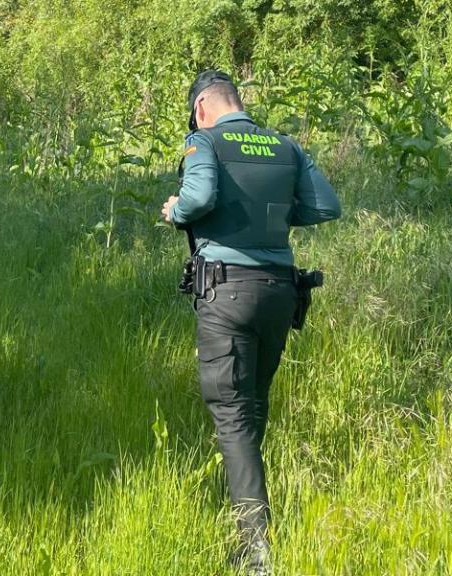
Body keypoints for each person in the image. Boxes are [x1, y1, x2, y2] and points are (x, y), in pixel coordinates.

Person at [161, 70, 341, 574]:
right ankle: (246, 508)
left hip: (227, 293)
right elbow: (325, 206)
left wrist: (176, 210)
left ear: (201, 107)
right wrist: (271, 213)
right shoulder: (285, 145)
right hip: (281, 292)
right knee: (252, 405)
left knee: (232, 416)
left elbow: (198, 199)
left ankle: (255, 550)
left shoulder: (204, 142)